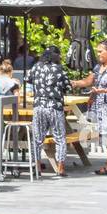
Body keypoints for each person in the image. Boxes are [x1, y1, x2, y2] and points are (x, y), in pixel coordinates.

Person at [71, 40, 107, 175]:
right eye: (97, 51)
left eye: (100, 51)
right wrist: (75, 83)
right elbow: (89, 81)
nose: (98, 54)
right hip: (102, 107)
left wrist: (104, 91)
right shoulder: (99, 67)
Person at [27, 48, 72, 176]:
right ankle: (60, 168)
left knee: (37, 138)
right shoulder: (58, 69)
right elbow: (67, 86)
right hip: (55, 106)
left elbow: (27, 78)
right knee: (60, 138)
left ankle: (37, 167)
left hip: (39, 106)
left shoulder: (36, 67)